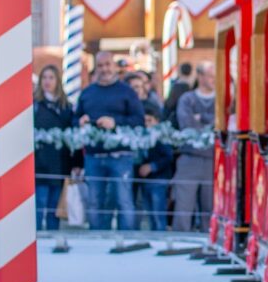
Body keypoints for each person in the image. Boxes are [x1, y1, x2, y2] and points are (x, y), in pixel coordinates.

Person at [75, 51, 145, 230]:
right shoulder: (87, 93)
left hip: (120, 155)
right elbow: (74, 119)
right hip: (93, 155)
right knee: (94, 200)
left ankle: (126, 240)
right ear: (96, 68)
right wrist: (80, 121)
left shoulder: (127, 92)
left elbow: (139, 120)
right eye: (100, 65)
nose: (104, 69)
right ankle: (97, 238)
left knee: (124, 200)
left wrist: (115, 123)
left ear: (114, 66)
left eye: (107, 64)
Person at [172, 61, 216, 232]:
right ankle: (180, 241)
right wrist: (208, 125)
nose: (213, 80)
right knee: (183, 205)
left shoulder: (223, 99)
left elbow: (223, 124)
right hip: (190, 158)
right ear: (200, 76)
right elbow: (187, 124)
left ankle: (210, 240)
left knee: (210, 206)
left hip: (213, 159)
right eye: (210, 76)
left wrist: (201, 120)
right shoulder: (187, 99)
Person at [33, 65, 73, 231]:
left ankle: (52, 234)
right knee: (40, 202)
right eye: (44, 78)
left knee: (54, 205)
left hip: (59, 162)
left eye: (51, 78)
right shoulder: (35, 105)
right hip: (40, 162)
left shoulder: (66, 107)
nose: (47, 81)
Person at [138, 101, 174, 231]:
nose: (147, 124)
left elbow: (168, 156)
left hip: (159, 179)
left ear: (157, 121)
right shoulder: (141, 136)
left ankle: (160, 236)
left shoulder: (161, 136)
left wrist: (152, 167)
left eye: (150, 120)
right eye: (145, 121)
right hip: (145, 180)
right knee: (150, 214)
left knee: (158, 213)